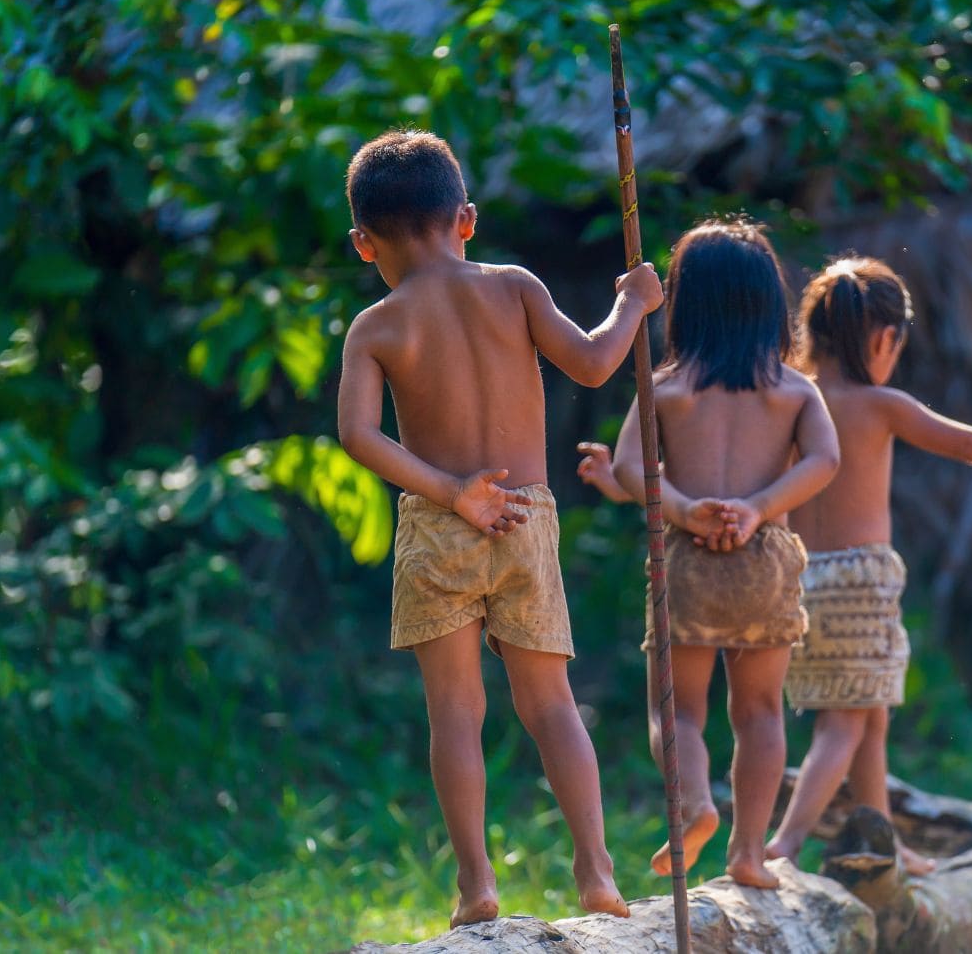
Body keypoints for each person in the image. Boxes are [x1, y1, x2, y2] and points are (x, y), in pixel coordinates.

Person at [336, 129, 663, 925]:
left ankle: (476, 884)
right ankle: (596, 872)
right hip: (523, 515)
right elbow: (592, 361)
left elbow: (359, 436)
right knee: (550, 703)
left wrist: (452, 490)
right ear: (467, 219)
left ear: (363, 242)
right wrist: (635, 303)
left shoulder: (376, 326)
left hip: (440, 520)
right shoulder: (513, 286)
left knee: (456, 710)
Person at [762, 255, 972, 876]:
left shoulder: (792, 398)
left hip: (800, 579)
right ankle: (784, 844)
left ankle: (880, 842)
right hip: (861, 583)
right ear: (883, 339)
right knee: (844, 725)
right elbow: (967, 444)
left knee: (868, 721)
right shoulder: (881, 404)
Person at [600, 217, 840, 889]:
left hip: (689, 565)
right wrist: (759, 508)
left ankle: (696, 800)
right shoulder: (793, 390)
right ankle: (747, 849)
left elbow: (627, 466)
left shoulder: (668, 387)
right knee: (760, 712)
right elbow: (826, 459)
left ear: (684, 304)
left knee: (675, 712)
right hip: (764, 564)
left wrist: (682, 510)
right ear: (771, 303)